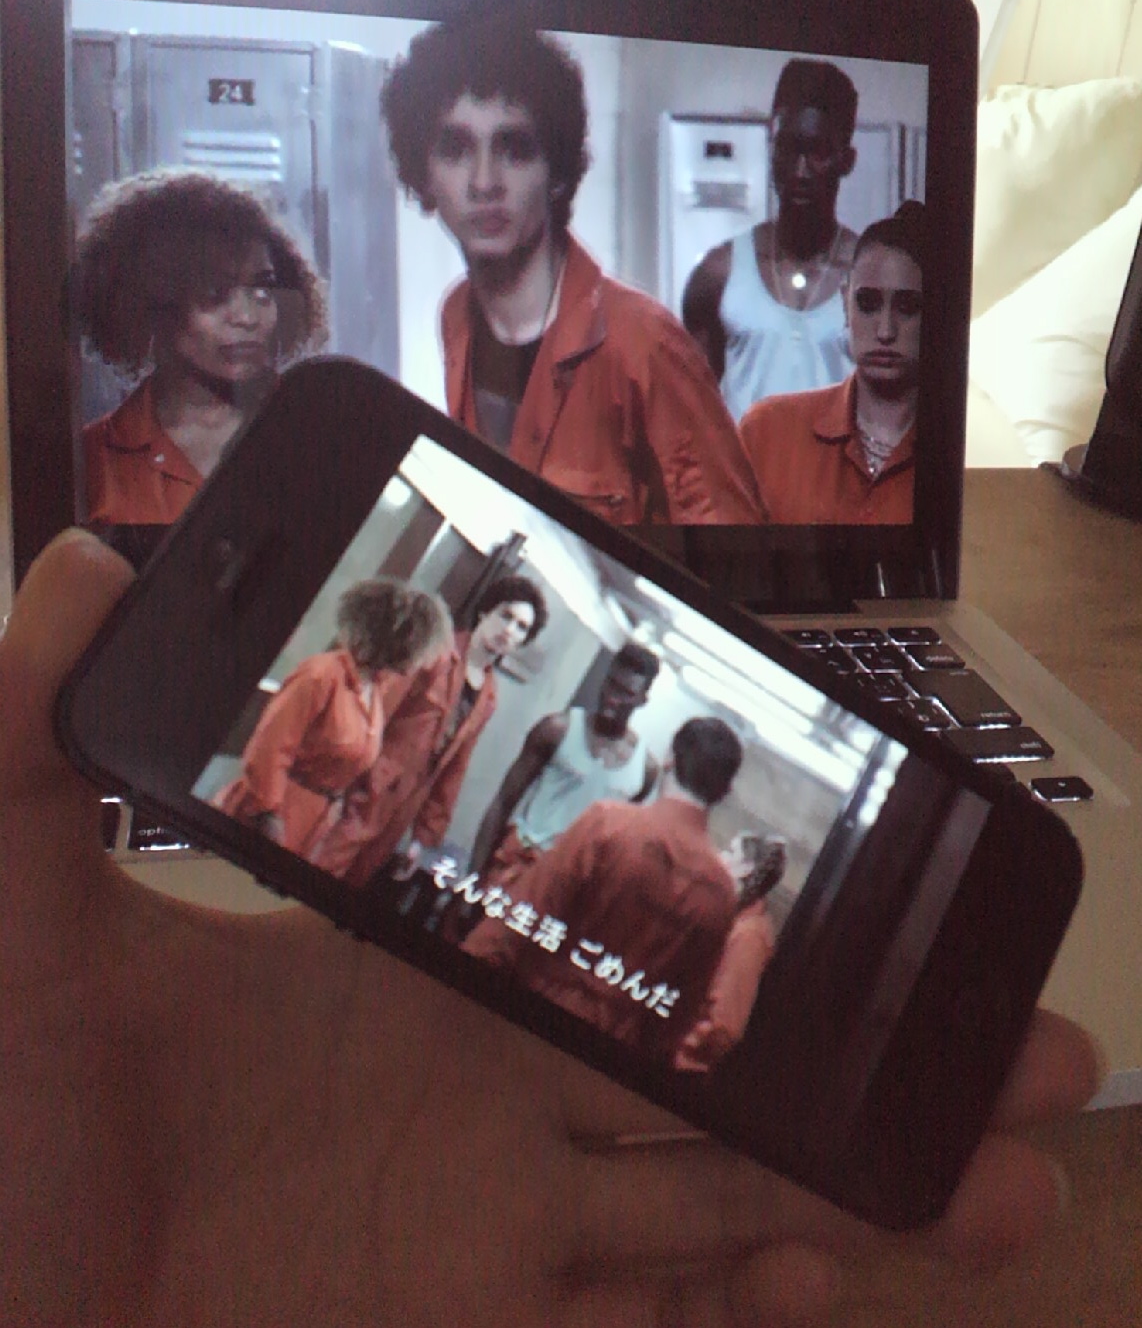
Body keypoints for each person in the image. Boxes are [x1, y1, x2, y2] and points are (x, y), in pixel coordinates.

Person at [0, 530, 1107, 1324]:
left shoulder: (621, 794)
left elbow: (495, 839)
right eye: (608, 669)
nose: (617, 690)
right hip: (500, 897)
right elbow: (489, 811)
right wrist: (471, 893)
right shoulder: (605, 784)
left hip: (536, 934)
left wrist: (490, 935)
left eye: (630, 680)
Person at [380, 18, 766, 527]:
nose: (484, 182)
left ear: (557, 170)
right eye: (455, 150)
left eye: (514, 149)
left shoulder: (643, 343)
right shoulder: (457, 317)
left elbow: (733, 553)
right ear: (422, 174)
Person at [463, 717, 747, 1060]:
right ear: (724, 792)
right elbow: (680, 1013)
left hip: (533, 1014)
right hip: (615, 1052)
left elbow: (521, 917)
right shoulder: (721, 894)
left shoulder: (608, 825)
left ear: (670, 759)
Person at [74, 168, 326, 527]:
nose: (246, 317)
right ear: (152, 306)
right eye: (214, 293)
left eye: (262, 288)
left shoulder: (321, 434)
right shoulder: (92, 460)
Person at [213, 579, 452, 878]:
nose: (421, 660)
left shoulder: (374, 693)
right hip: (271, 811)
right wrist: (268, 813)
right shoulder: (321, 675)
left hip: (314, 821)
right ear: (396, 641)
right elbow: (270, 748)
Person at [333, 573, 549, 888]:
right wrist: (342, 780)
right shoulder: (436, 652)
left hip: (403, 806)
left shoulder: (488, 695)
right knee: (323, 865)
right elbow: (379, 707)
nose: (509, 630)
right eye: (506, 616)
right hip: (365, 784)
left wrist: (423, 838)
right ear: (485, 612)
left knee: (352, 884)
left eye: (521, 628)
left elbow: (454, 769)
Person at [682, 58, 861, 421]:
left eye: (818, 153)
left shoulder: (868, 280)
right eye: (789, 149)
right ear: (772, 149)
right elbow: (693, 419)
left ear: (846, 160)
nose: (800, 171)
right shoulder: (719, 274)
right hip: (744, 460)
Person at [738, 201, 924, 525]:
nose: (885, 331)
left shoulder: (962, 452)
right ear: (844, 302)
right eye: (868, 303)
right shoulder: (766, 432)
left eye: (907, 306)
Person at [465, 641, 661, 893]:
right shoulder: (557, 729)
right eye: (611, 684)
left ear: (642, 700)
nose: (613, 698)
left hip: (570, 887)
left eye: (626, 693)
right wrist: (472, 881)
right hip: (519, 867)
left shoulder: (645, 770)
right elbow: (502, 803)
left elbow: (619, 845)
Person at [676, 837, 787, 1072]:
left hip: (680, 1064)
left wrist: (675, 1041)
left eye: (730, 851)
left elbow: (724, 1027)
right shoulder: (729, 914)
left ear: (746, 868)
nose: (721, 856)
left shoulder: (750, 936)